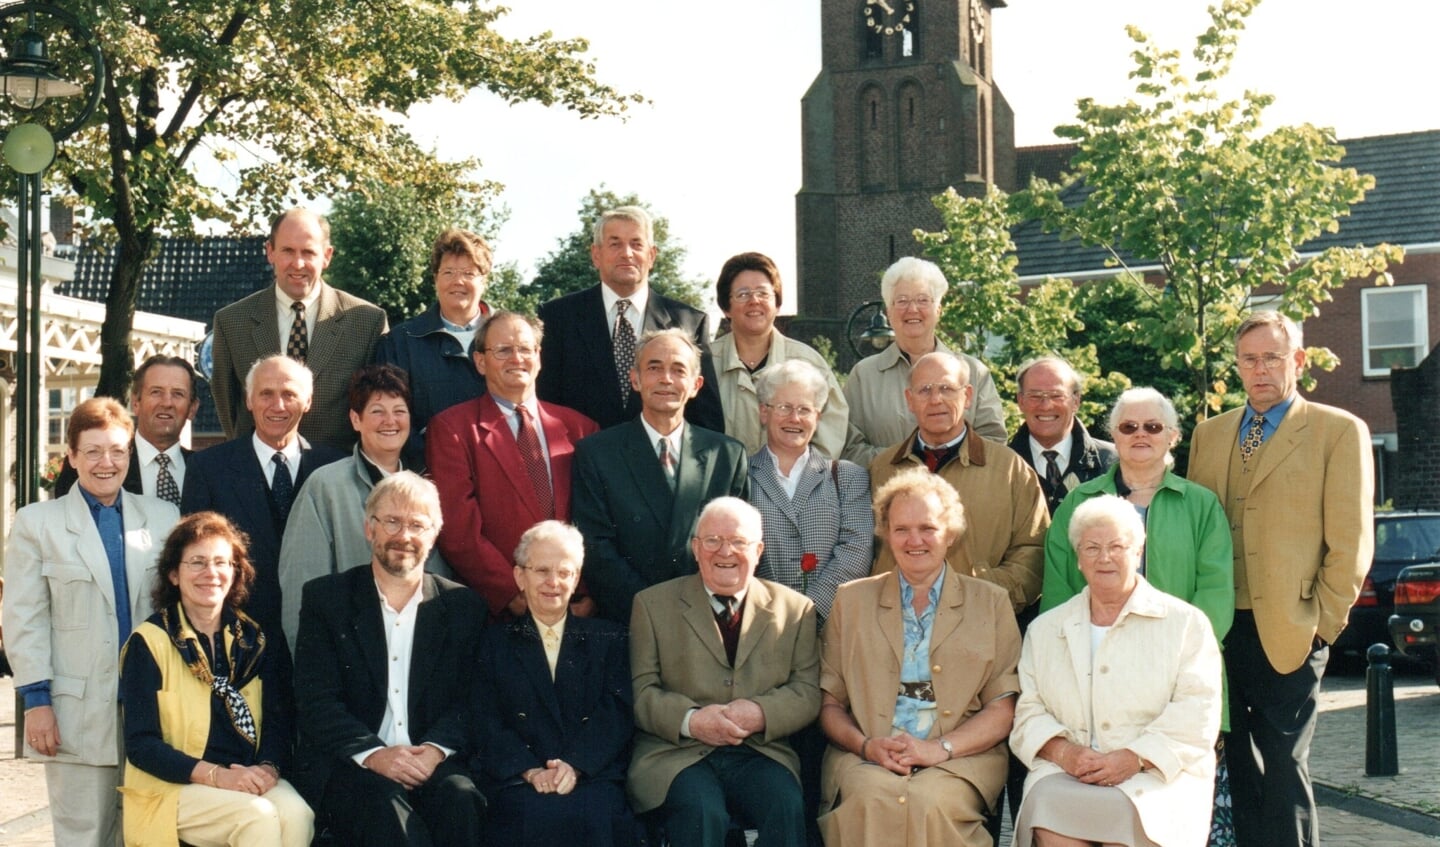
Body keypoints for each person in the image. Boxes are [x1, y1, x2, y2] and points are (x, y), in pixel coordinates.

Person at [1187, 312, 1374, 847]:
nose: (1260, 369)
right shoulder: (1210, 434)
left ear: (1298, 361)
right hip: (1219, 629)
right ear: (1238, 366)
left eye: (1272, 357)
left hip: (1291, 629)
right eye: (1249, 359)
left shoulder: (1338, 431)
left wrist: (1323, 627)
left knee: (1285, 765)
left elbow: (1351, 541)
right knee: (1236, 767)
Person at [1043, 387, 1236, 845]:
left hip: (1178, 688)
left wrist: (1162, 658)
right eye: (1128, 427)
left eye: (1153, 426)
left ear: (1173, 435)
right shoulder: (1078, 503)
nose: (1140, 435)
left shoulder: (1201, 505)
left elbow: (1215, 599)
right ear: (1113, 434)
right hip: (1092, 690)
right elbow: (1058, 601)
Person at [3, 398, 180, 847]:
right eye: (94, 451)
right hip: (74, 709)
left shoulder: (162, 518)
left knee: (147, 833)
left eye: (118, 451)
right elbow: (24, 619)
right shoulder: (37, 523)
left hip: (154, 710)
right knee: (85, 836)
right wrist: (36, 701)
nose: (107, 462)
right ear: (72, 457)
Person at [817, 468, 1020, 846]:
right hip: (868, 756)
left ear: (951, 533)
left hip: (959, 758)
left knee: (930, 801)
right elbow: (830, 704)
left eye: (927, 528)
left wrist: (938, 750)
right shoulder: (851, 599)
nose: (915, 541)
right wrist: (866, 746)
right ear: (885, 533)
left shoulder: (991, 602)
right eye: (901, 529)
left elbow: (1003, 707)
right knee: (872, 796)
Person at [1011, 495, 1223, 847]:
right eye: (1091, 547)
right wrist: (1066, 753)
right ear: (1077, 558)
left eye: (1117, 546)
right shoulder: (1045, 629)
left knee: (1133, 818)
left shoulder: (1186, 623)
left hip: (1155, 774)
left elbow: (1198, 711)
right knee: (1048, 807)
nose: (1104, 557)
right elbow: (1028, 712)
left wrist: (1134, 757)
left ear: (1138, 553)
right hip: (1069, 772)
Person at [293, 472, 488, 846]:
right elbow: (316, 700)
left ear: (434, 535)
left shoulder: (463, 607)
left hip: (430, 760)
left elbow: (473, 699)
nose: (404, 536)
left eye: (417, 524)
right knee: (386, 809)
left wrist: (433, 752)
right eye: (392, 522)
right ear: (369, 529)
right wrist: (374, 754)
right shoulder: (327, 599)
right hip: (354, 763)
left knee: (461, 799)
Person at [629, 497, 820, 847]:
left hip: (760, 750)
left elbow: (806, 691)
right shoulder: (651, 604)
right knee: (702, 812)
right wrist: (691, 720)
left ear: (759, 550)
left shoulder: (796, 609)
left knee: (785, 804)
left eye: (738, 542)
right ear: (696, 548)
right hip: (678, 753)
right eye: (713, 540)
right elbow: (642, 694)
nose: (725, 552)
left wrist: (761, 713)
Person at [120, 512, 313, 847]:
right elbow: (142, 746)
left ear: (234, 572)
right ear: (173, 574)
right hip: (172, 786)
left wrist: (268, 769)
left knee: (298, 814)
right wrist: (217, 776)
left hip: (243, 775)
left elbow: (277, 720)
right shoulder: (149, 641)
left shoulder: (253, 639)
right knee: (256, 816)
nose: (211, 573)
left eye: (221, 562)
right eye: (197, 562)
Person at [427, 311, 600, 619]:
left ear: (539, 356)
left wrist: (584, 590)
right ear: (480, 362)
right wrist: (514, 594)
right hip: (503, 610)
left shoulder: (581, 429)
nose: (516, 358)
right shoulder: (453, 429)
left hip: (577, 605)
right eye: (503, 350)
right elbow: (459, 532)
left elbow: (599, 524)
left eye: (525, 349)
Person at [572, 328, 750, 623]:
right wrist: (652, 607)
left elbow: (737, 544)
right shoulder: (597, 453)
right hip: (628, 617)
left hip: (706, 618)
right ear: (635, 379)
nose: (666, 379)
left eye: (678, 370)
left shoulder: (727, 455)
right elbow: (595, 546)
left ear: (696, 384)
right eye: (654, 368)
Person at [473, 521, 633, 847]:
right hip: (520, 780)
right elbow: (484, 719)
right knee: (526, 818)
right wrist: (530, 771)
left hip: (591, 775)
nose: (553, 582)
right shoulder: (492, 643)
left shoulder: (609, 638)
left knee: (597, 816)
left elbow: (616, 714)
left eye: (564, 572)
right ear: (520, 576)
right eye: (541, 570)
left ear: (576, 580)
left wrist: (575, 767)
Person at [278, 364, 449, 651]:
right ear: (355, 420)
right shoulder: (325, 486)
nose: (390, 421)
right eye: (377, 411)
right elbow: (301, 583)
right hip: (347, 653)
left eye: (399, 410)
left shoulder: (427, 488)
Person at [183, 355, 346, 646]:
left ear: (308, 402)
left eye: (289, 394)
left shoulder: (335, 469)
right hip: (239, 642)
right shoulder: (208, 469)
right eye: (266, 394)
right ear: (249, 400)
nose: (278, 405)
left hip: (321, 639)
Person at [869, 351, 1050, 613]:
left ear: (967, 396)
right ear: (909, 400)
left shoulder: (1009, 469)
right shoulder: (883, 468)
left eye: (946, 388)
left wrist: (983, 592)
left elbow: (1033, 551)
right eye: (925, 390)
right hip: (895, 618)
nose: (936, 399)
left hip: (979, 621)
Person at [211, 207, 388, 452]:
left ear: (327, 256)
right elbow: (228, 407)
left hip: (337, 477)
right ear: (270, 252)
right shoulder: (232, 322)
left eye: (308, 252)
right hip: (258, 477)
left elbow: (374, 409)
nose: (298, 263)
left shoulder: (366, 322)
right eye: (287, 251)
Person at [536, 205, 724, 431]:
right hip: (581, 459)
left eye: (636, 244)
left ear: (651, 255)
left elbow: (706, 418)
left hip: (661, 462)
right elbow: (544, 404)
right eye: (615, 244)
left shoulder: (689, 321)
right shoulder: (557, 317)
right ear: (596, 255)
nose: (627, 253)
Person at [843, 256, 1006, 465]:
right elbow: (849, 448)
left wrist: (945, 466)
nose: (912, 309)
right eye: (902, 301)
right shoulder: (863, 376)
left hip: (961, 495)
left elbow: (994, 442)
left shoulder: (975, 373)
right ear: (888, 312)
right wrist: (909, 463)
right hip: (888, 493)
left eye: (923, 300)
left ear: (939, 310)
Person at [747, 359, 872, 627]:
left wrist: (806, 614)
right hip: (760, 628)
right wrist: (771, 616)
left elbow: (856, 552)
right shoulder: (741, 477)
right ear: (763, 412)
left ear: (818, 417)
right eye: (784, 407)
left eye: (805, 409)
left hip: (833, 629)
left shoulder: (848, 477)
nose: (795, 418)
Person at [707, 251, 851, 458]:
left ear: (777, 304)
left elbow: (831, 437)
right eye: (743, 294)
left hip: (794, 488)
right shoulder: (704, 364)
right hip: (721, 489)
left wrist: (797, 481)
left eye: (763, 293)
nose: (754, 301)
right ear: (726, 307)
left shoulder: (809, 364)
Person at [374, 228, 493, 456]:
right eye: (448, 272)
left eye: (468, 273)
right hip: (428, 473)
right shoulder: (400, 342)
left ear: (484, 280)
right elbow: (389, 417)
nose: (458, 281)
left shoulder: (511, 339)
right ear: (435, 279)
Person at [54, 354, 201, 504]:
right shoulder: (91, 464)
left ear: (192, 408)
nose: (167, 403)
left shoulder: (208, 470)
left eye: (178, 394)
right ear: (136, 402)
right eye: (156, 392)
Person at [1007, 356, 1117, 515]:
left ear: (1076, 401)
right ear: (1021, 401)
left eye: (1057, 395)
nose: (1046, 406)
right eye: (1035, 396)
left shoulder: (1113, 463)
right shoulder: (1001, 467)